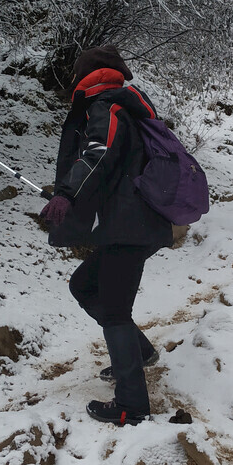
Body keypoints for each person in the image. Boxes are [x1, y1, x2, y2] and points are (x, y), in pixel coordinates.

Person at [40, 45, 173, 426]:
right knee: (84, 284)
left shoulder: (108, 107)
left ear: (86, 76)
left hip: (129, 225)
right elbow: (110, 165)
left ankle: (132, 405)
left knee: (114, 309)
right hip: (132, 222)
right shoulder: (123, 105)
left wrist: (66, 193)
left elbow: (98, 151)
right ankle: (139, 352)